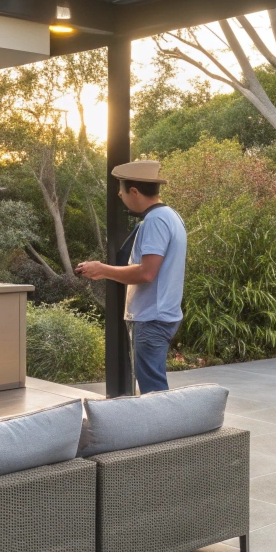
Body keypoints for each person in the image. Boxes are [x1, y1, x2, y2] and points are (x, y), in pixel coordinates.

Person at [75, 160, 187, 394]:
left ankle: (161, 430)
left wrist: (102, 269)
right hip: (161, 313)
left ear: (134, 191)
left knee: (153, 391)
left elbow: (146, 272)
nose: (119, 194)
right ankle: (163, 428)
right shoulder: (171, 215)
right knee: (153, 386)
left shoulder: (155, 221)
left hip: (151, 317)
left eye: (121, 189)